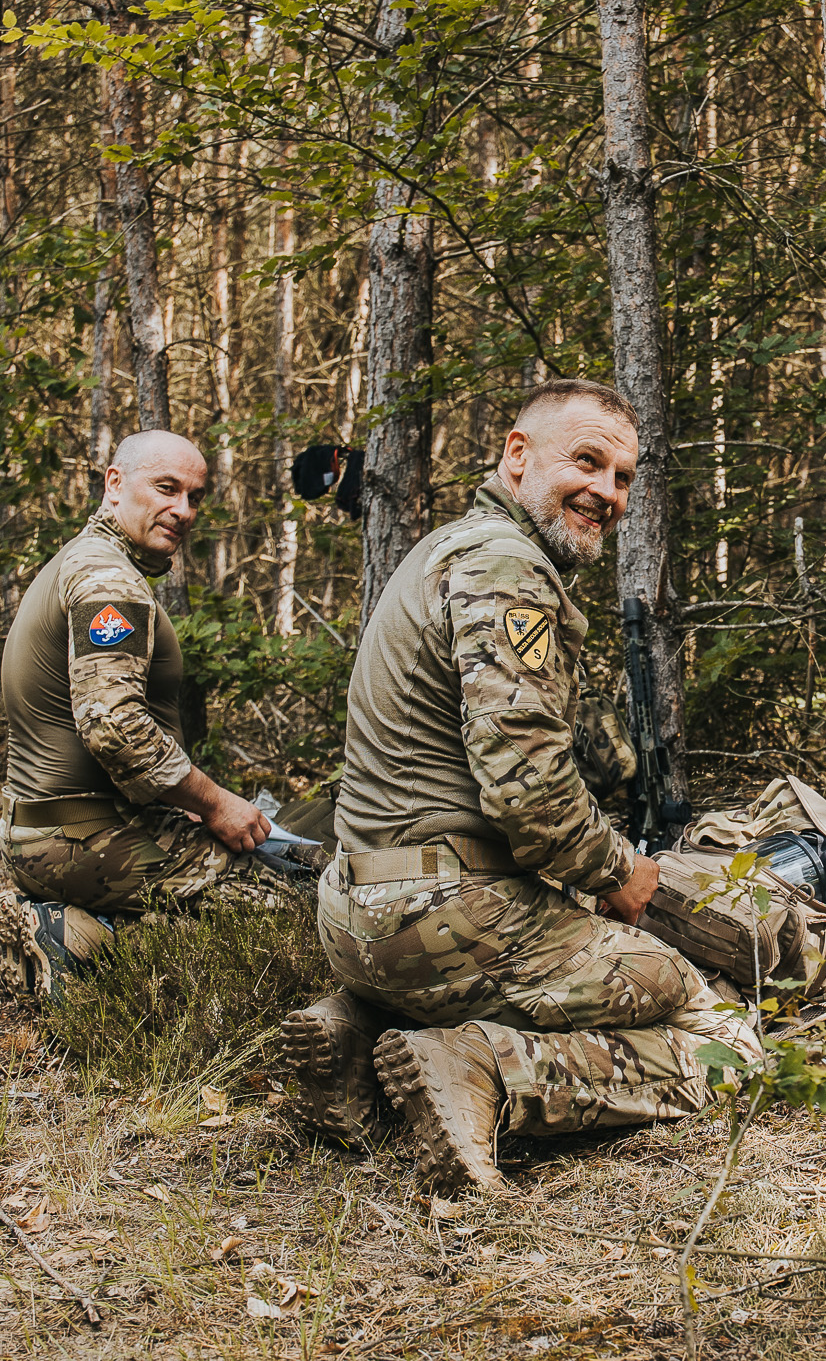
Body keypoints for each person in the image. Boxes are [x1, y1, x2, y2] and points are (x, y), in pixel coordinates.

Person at [284, 378, 759, 1188]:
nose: (606, 493)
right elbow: (528, 795)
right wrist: (620, 874)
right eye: (586, 462)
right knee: (720, 1028)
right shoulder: (507, 567)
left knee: (560, 938)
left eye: (623, 478)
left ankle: (357, 1033)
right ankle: (489, 1067)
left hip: (355, 913)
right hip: (441, 914)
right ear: (517, 456)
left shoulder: (449, 549)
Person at [0, 430, 271, 997]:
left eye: (194, 497)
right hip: (81, 838)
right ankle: (83, 940)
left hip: (50, 831)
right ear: (114, 484)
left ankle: (85, 929)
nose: (183, 511)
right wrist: (215, 803)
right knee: (287, 901)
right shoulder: (107, 580)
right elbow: (114, 728)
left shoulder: (79, 562)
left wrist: (183, 802)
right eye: (166, 488)